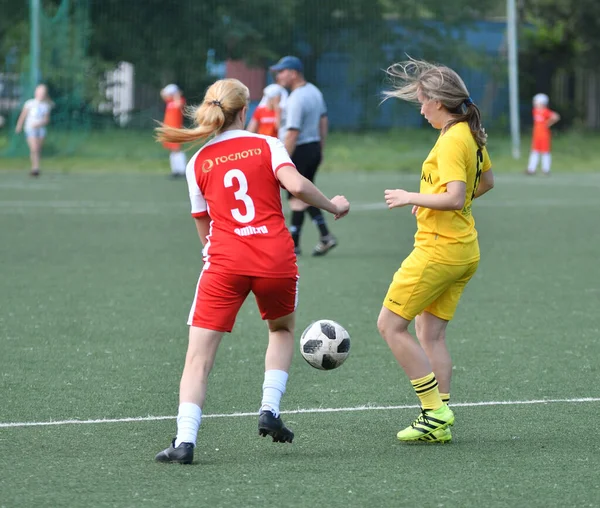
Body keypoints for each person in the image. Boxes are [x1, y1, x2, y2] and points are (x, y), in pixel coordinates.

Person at [153, 78, 350, 464]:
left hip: (225, 263)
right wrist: (332, 205)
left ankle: (184, 442)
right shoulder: (267, 144)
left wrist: (217, 255)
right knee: (281, 329)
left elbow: (203, 225)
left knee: (198, 357)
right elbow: (296, 185)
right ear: (245, 111)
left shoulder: (197, 163)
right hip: (275, 258)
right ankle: (269, 410)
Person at [377, 59, 495, 443]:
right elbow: (486, 182)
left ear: (437, 102)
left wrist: (413, 196)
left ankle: (434, 412)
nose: (421, 109)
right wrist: (433, 200)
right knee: (432, 335)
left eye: (422, 102)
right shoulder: (469, 133)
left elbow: (457, 196)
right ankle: (438, 421)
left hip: (439, 250)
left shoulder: (450, 139)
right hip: (464, 250)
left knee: (390, 325)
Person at [270, 56, 336, 256]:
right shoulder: (314, 91)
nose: (278, 75)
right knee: (298, 196)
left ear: (293, 73)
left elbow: (292, 132)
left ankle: (310, 240)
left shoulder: (296, 98)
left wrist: (283, 159)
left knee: (298, 195)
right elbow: (323, 121)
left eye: (282, 71)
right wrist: (321, 148)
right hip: (313, 147)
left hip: (299, 149)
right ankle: (300, 243)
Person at [15, 84, 52, 177]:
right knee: (34, 148)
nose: (41, 94)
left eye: (43, 92)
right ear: (36, 92)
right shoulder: (29, 103)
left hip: (41, 129)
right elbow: (23, 115)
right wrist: (19, 125)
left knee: (38, 149)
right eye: (39, 92)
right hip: (30, 128)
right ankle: (34, 168)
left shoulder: (46, 105)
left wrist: (39, 124)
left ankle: (37, 167)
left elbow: (47, 120)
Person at [526, 93, 560, 176]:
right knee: (534, 152)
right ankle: (531, 169)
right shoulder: (535, 111)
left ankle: (546, 169)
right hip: (536, 136)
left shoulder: (546, 111)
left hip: (544, 136)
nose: (535, 103)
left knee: (545, 152)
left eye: (537, 102)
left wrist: (548, 123)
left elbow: (556, 116)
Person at [160, 83, 187, 178]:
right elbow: (162, 94)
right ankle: (175, 170)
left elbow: (178, 104)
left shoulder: (180, 100)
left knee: (177, 149)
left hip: (176, 130)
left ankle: (182, 170)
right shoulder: (169, 101)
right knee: (172, 150)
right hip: (169, 130)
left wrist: (176, 94)